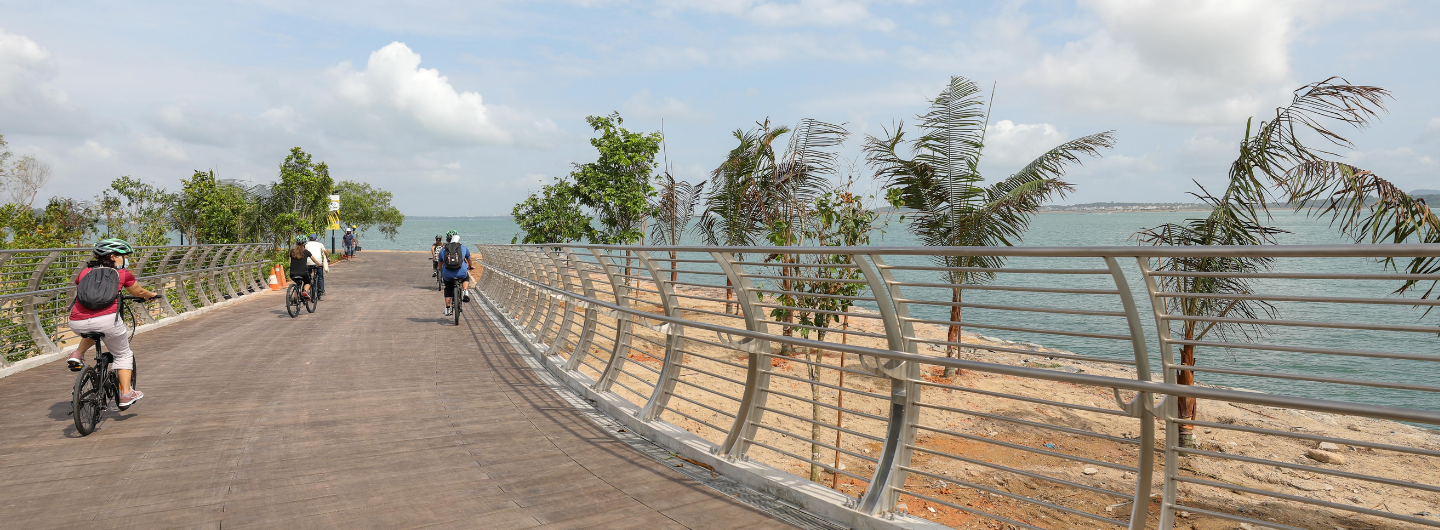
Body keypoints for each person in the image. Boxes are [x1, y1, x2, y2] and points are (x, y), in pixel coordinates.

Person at [65, 238, 159, 408]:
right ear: (114, 256)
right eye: (123, 255)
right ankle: (126, 394)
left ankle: (77, 354)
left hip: (77, 321)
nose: (126, 259)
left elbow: (79, 284)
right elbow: (139, 291)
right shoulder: (123, 274)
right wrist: (150, 294)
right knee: (123, 355)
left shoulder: (85, 272)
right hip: (107, 321)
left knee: (93, 331)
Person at [436, 230, 474, 316]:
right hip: (461, 272)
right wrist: (470, 266)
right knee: (466, 277)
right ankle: (465, 291)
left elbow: (440, 262)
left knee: (448, 288)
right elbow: (469, 259)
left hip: (448, 274)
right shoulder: (463, 248)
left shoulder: (443, 250)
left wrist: (440, 270)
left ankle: (448, 308)